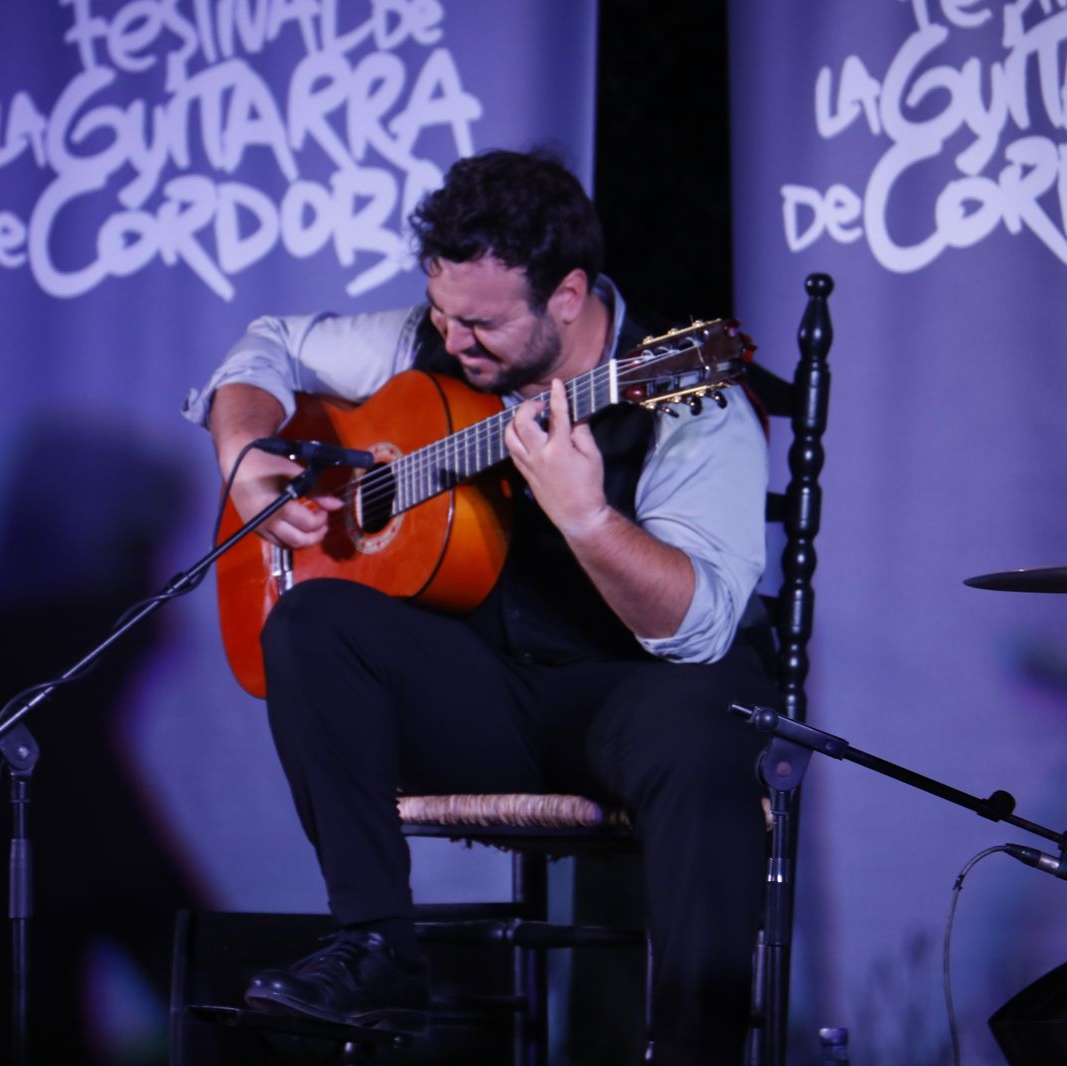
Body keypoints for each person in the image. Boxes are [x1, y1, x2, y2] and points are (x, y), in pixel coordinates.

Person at [182, 148, 779, 1064]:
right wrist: (245, 459)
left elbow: (697, 629)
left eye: (484, 325)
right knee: (306, 620)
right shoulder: (433, 336)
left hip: (623, 699)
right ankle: (378, 944)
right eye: (442, 314)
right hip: (481, 693)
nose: (455, 341)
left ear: (569, 296)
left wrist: (585, 516)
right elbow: (266, 344)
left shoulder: (690, 401)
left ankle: (697, 1047)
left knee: (708, 724)